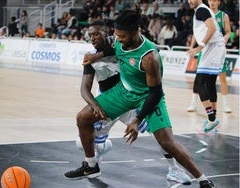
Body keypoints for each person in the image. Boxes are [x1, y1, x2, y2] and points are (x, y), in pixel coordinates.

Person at [64, 7, 215, 188]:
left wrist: (136, 119)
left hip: (148, 96)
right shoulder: (118, 41)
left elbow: (156, 92)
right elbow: (111, 49)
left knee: (166, 142)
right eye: (116, 35)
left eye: (122, 36)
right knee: (82, 118)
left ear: (136, 31)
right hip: (123, 92)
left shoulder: (149, 57)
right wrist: (96, 55)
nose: (118, 39)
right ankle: (91, 165)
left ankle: (202, 179)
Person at [187, 0, 226, 133]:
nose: (190, 1)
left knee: (198, 84)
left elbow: (212, 28)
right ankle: (213, 120)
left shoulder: (201, 10)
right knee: (209, 84)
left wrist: (200, 47)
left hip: (212, 47)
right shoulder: (202, 10)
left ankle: (212, 119)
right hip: (216, 47)